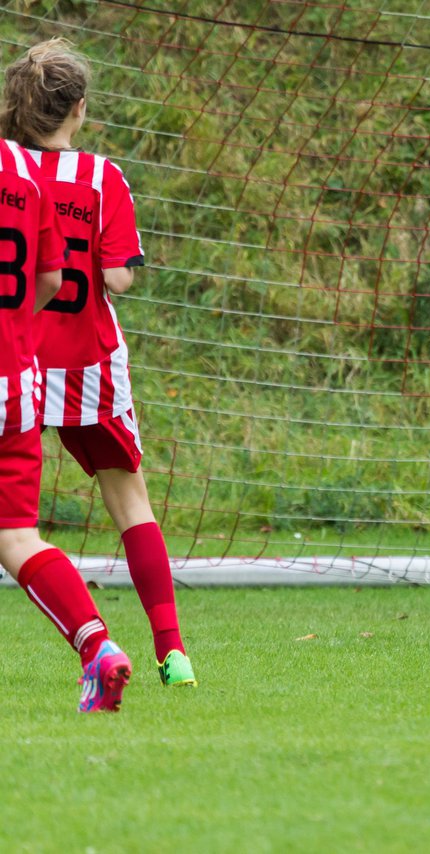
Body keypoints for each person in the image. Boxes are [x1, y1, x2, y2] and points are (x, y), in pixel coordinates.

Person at [1, 39, 196, 688]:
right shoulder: (101, 177)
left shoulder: (12, 174)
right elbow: (117, 278)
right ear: (78, 109)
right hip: (88, 362)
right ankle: (173, 652)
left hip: (19, 355)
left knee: (14, 529)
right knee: (130, 503)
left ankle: (94, 644)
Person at [0, 117, 136, 712]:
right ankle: (98, 648)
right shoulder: (26, 173)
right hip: (14, 380)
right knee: (16, 536)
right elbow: (51, 279)